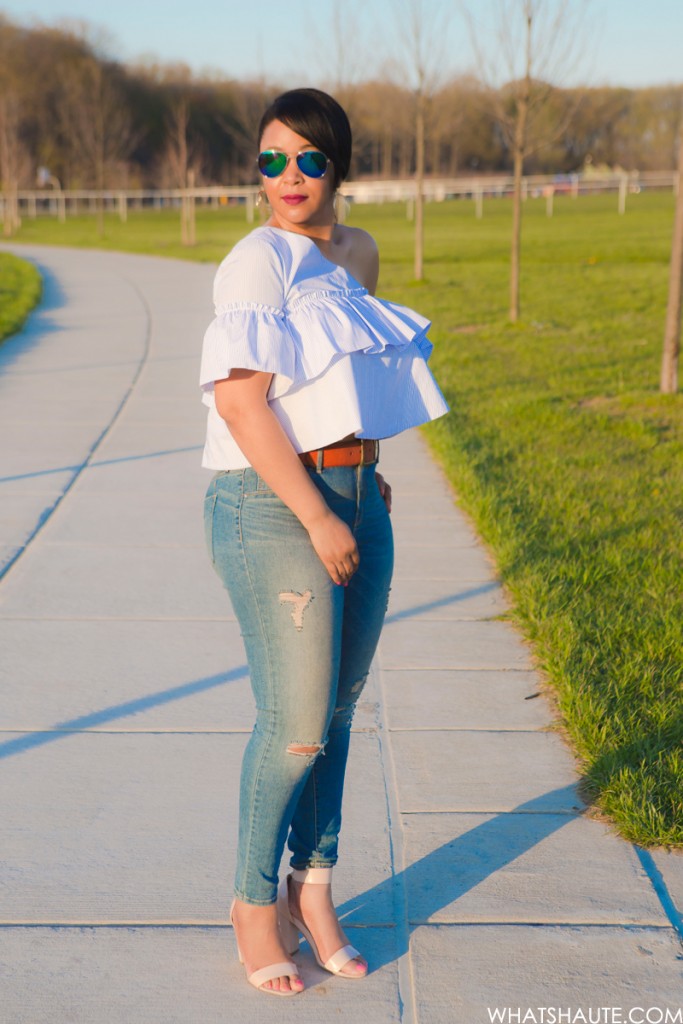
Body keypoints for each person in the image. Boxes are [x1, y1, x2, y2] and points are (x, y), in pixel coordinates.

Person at [200, 87, 448, 997]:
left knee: (340, 715)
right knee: (297, 727)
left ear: (339, 162)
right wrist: (316, 511)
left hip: (352, 492)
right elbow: (240, 403)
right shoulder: (256, 263)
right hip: (271, 505)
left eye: (307, 158)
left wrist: (362, 476)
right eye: (271, 160)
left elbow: (344, 376)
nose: (289, 177)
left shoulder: (357, 253)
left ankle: (315, 894)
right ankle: (250, 903)